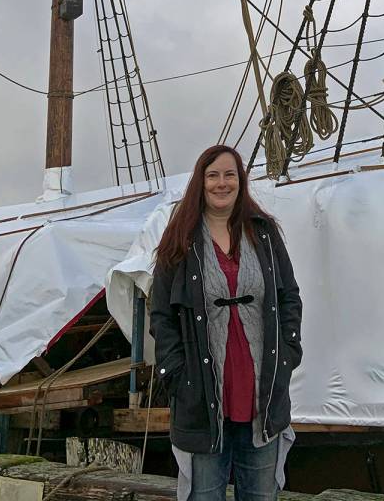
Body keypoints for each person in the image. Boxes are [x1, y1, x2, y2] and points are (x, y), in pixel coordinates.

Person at [150, 144, 302, 501]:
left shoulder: (263, 233)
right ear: (201, 183)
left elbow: (288, 295)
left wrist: (288, 353)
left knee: (261, 496)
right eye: (213, 175)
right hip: (202, 395)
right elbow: (162, 316)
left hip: (260, 394)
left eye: (229, 175)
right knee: (204, 495)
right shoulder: (180, 241)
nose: (222, 183)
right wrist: (177, 374)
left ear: (240, 181)